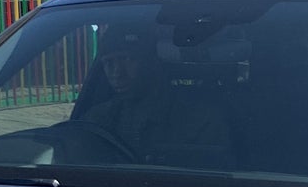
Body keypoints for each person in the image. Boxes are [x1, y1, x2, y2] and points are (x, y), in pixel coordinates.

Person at [79, 25, 232, 165]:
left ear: (150, 62)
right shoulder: (96, 119)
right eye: (109, 63)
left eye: (127, 59)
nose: (117, 73)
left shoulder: (199, 120)